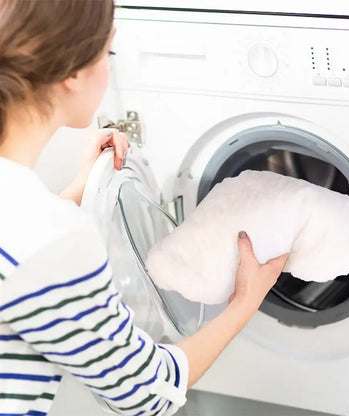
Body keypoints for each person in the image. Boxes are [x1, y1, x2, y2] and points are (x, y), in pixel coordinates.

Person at [0, 1, 289, 415]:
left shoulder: (35, 230)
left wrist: (82, 189)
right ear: (73, 74)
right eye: (108, 54)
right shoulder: (54, 243)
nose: (111, 69)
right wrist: (245, 300)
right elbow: (147, 394)